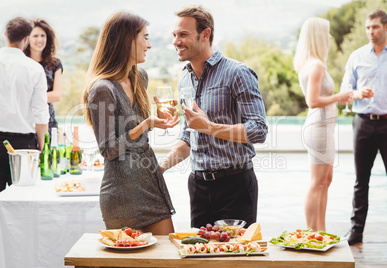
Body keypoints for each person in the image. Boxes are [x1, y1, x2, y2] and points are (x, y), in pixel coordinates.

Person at [159, 5, 268, 228]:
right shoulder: (184, 82)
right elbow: (188, 138)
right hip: (198, 186)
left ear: (205, 34)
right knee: (199, 257)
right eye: (174, 35)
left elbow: (259, 130)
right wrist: (157, 169)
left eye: (183, 34)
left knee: (232, 258)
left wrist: (209, 127)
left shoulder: (238, 73)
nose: (176, 42)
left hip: (235, 186)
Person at [82, 11, 180, 235]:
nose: (149, 45)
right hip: (121, 195)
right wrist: (145, 125)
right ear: (127, 40)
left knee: (167, 257)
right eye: (145, 37)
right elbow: (108, 150)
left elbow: (137, 131)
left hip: (149, 186)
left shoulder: (140, 77)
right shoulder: (102, 89)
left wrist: (159, 117)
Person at [341, 10, 387, 255]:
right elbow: (346, 90)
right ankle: (356, 233)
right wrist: (356, 94)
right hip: (363, 123)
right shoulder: (356, 57)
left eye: (375, 27)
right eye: (368, 28)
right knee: (360, 182)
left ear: (386, 27)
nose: (371, 32)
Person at [293, 17, 353, 232]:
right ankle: (312, 232)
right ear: (318, 36)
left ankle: (321, 231)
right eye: (326, 33)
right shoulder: (316, 65)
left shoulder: (312, 63)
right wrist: (339, 96)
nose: (329, 37)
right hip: (318, 128)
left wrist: (338, 98)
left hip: (323, 128)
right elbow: (313, 101)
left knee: (325, 181)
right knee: (317, 182)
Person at [0, 17, 49, 191]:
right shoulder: (34, 69)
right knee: (22, 200)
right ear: (26, 39)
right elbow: (41, 113)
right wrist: (42, 144)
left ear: (5, 34)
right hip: (22, 145)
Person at [24, 18, 63, 139]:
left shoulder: (55, 63)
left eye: (43, 35)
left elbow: (57, 95)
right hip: (25, 123)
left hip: (48, 123)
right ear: (27, 38)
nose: (39, 39)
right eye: (35, 36)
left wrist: (30, 99)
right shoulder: (22, 63)